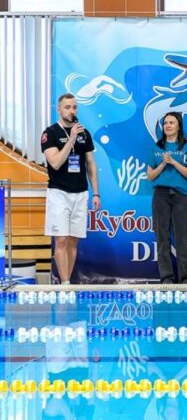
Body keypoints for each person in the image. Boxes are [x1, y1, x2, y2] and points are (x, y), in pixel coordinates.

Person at [41, 93, 100, 285]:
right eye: (67, 107)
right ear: (59, 110)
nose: (72, 111)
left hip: (80, 192)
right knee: (61, 240)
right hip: (59, 192)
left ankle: (67, 281)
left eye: (74, 107)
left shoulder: (85, 133)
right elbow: (55, 162)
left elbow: (91, 165)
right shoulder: (50, 133)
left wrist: (96, 193)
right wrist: (71, 138)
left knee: (74, 240)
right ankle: (65, 283)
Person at [146, 111, 187, 284]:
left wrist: (174, 162)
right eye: (165, 123)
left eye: (172, 122)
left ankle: (186, 278)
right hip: (160, 195)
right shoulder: (156, 148)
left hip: (180, 196)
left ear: (178, 126)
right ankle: (166, 277)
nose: (168, 126)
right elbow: (150, 176)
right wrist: (163, 163)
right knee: (162, 237)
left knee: (182, 237)